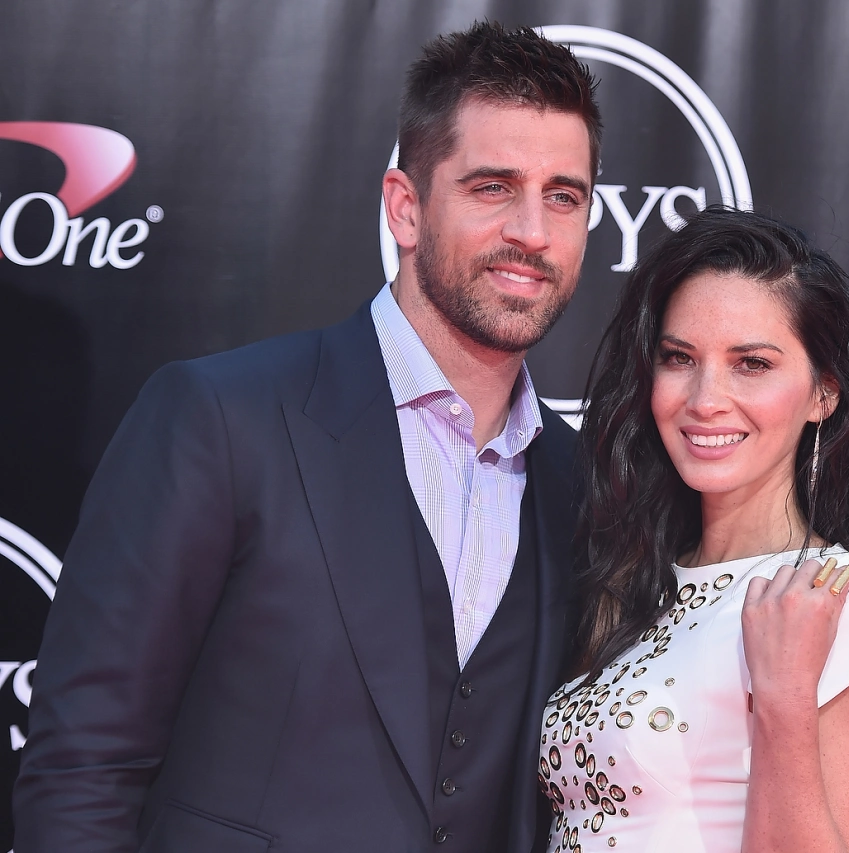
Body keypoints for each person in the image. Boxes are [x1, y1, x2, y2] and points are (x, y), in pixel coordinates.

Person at [14, 22, 601, 853]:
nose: (533, 232)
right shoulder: (220, 420)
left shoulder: (580, 486)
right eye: (492, 187)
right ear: (405, 206)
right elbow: (84, 767)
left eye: (563, 196)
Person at [539, 206, 849, 853]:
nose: (705, 397)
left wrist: (783, 694)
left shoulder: (847, 598)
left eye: (751, 363)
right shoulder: (632, 582)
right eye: (678, 357)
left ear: (824, 391)